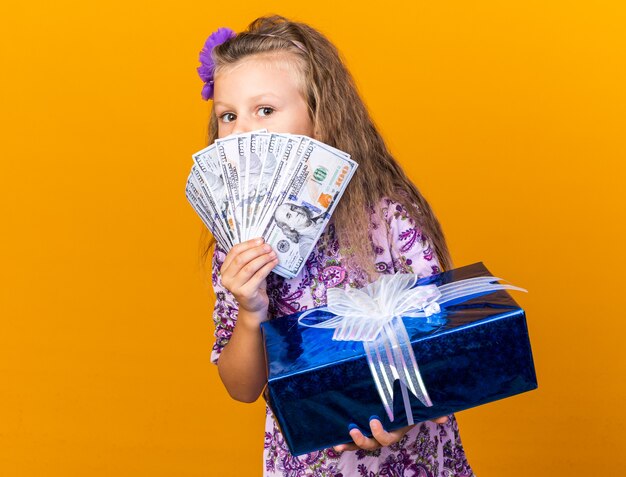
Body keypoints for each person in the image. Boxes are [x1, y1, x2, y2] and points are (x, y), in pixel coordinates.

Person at [197, 16, 475, 476]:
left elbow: (439, 349)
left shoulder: (388, 218)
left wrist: (403, 416)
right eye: (228, 115)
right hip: (308, 464)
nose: (243, 130)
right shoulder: (238, 242)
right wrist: (250, 310)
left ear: (321, 118)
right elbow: (242, 389)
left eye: (264, 110)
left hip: (408, 461)